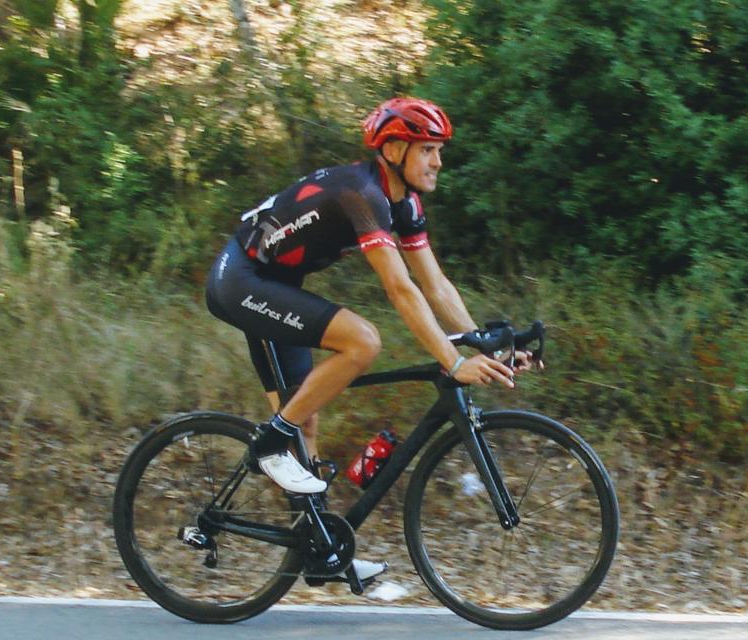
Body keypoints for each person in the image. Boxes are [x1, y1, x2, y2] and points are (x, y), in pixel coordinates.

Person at [204, 97, 529, 583]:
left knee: (306, 418)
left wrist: (486, 346)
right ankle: (270, 445)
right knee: (362, 341)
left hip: (277, 284)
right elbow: (400, 289)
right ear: (395, 149)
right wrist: (450, 360)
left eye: (440, 151)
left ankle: (320, 550)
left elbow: (435, 284)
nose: (438, 162)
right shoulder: (362, 195)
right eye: (428, 151)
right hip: (242, 280)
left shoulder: (406, 203)